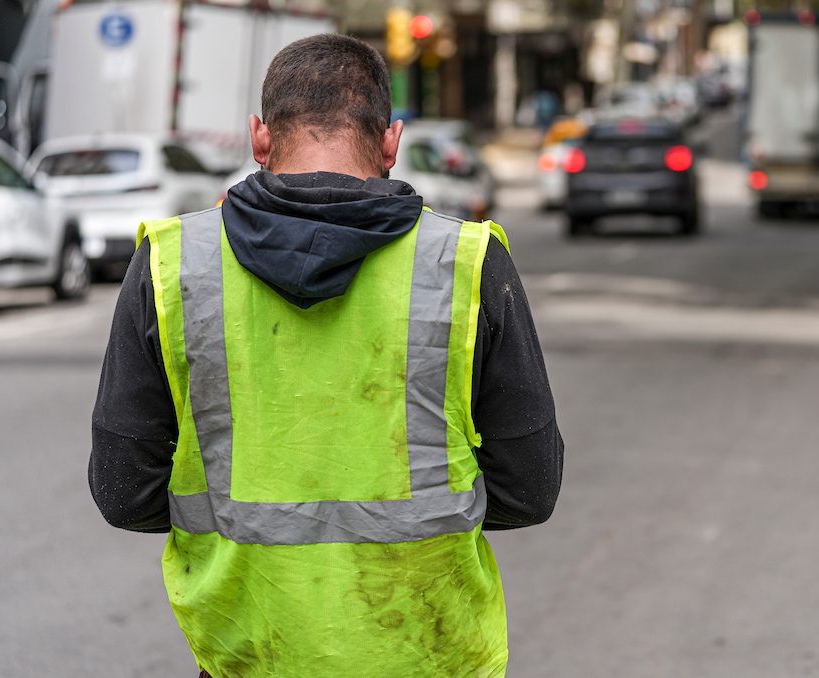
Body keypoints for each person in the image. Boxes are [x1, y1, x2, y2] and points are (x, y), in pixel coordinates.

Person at [88, 34, 563, 677]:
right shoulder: (467, 264)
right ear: (390, 142)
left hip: (250, 654)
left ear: (260, 138)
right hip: (428, 651)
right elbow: (529, 490)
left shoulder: (174, 264)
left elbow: (125, 493)